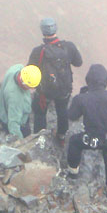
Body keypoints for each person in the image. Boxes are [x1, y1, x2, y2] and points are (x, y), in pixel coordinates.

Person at [65, 64, 107, 198]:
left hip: (91, 139)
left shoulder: (82, 99)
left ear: (88, 81)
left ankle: (73, 172)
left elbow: (72, 115)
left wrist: (80, 97)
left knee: (74, 142)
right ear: (106, 81)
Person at [27, 17, 83, 145]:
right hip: (64, 88)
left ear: (42, 31)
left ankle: (40, 139)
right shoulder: (69, 47)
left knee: (40, 113)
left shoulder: (38, 51)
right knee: (62, 111)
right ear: (56, 28)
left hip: (44, 91)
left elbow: (30, 70)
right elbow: (78, 63)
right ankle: (62, 136)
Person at [0, 64, 41, 139]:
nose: (32, 89)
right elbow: (13, 124)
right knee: (25, 133)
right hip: (10, 118)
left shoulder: (17, 68)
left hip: (1, 107)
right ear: (25, 84)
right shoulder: (15, 98)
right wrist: (21, 142)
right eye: (31, 87)